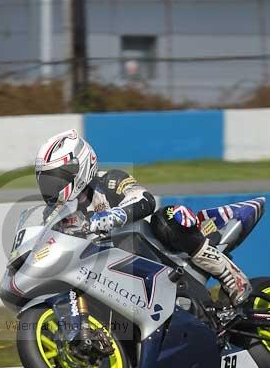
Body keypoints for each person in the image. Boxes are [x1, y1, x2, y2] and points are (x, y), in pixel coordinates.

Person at [34, 129, 251, 306]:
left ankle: (231, 276)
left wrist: (109, 217)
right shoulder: (53, 214)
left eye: (54, 179)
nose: (50, 188)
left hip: (152, 256)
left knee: (167, 217)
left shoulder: (110, 180)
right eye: (45, 181)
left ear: (77, 168)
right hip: (107, 281)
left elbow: (145, 199)